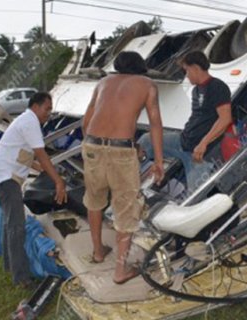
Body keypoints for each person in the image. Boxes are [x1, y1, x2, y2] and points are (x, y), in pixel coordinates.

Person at [82, 51, 164, 284]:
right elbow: (155, 124)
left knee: (94, 200)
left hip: (92, 146)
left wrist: (94, 147)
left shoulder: (103, 82)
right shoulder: (147, 84)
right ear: (141, 67)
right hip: (121, 152)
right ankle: (120, 271)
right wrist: (158, 162)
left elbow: (86, 122)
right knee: (127, 208)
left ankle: (98, 252)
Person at [0, 92, 67, 287]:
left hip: (1, 177)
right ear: (36, 106)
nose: (49, 113)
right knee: (16, 227)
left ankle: (10, 266)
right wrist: (58, 181)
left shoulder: (25, 121)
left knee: (10, 224)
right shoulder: (30, 122)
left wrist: (47, 172)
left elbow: (27, 156)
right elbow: (41, 154)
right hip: (6, 180)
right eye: (47, 108)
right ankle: (21, 278)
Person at [138, 50, 232, 191]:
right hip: (183, 140)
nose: (186, 76)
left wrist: (203, 143)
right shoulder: (196, 90)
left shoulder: (217, 87)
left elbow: (225, 119)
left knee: (195, 193)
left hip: (199, 153)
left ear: (195, 67)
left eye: (187, 70)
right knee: (146, 140)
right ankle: (128, 179)